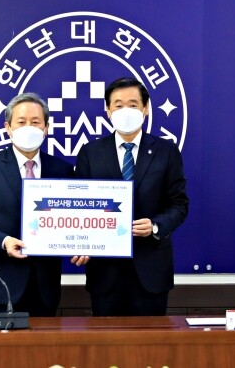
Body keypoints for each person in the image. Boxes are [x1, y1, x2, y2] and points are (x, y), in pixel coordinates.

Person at [75, 77, 189, 316]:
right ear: (108, 111)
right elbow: (80, 207)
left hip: (151, 271)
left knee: (150, 340)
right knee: (106, 339)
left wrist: (155, 225)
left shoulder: (166, 151)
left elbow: (179, 204)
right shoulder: (90, 153)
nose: (125, 110)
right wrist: (80, 242)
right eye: (118, 105)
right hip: (104, 272)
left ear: (145, 109)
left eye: (133, 104)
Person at [0, 92, 83, 317]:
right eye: (21, 122)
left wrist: (82, 244)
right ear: (8, 128)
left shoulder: (62, 170)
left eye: (35, 122)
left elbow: (74, 219)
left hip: (45, 288)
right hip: (0, 286)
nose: (29, 127)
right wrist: (4, 241)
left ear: (46, 128)